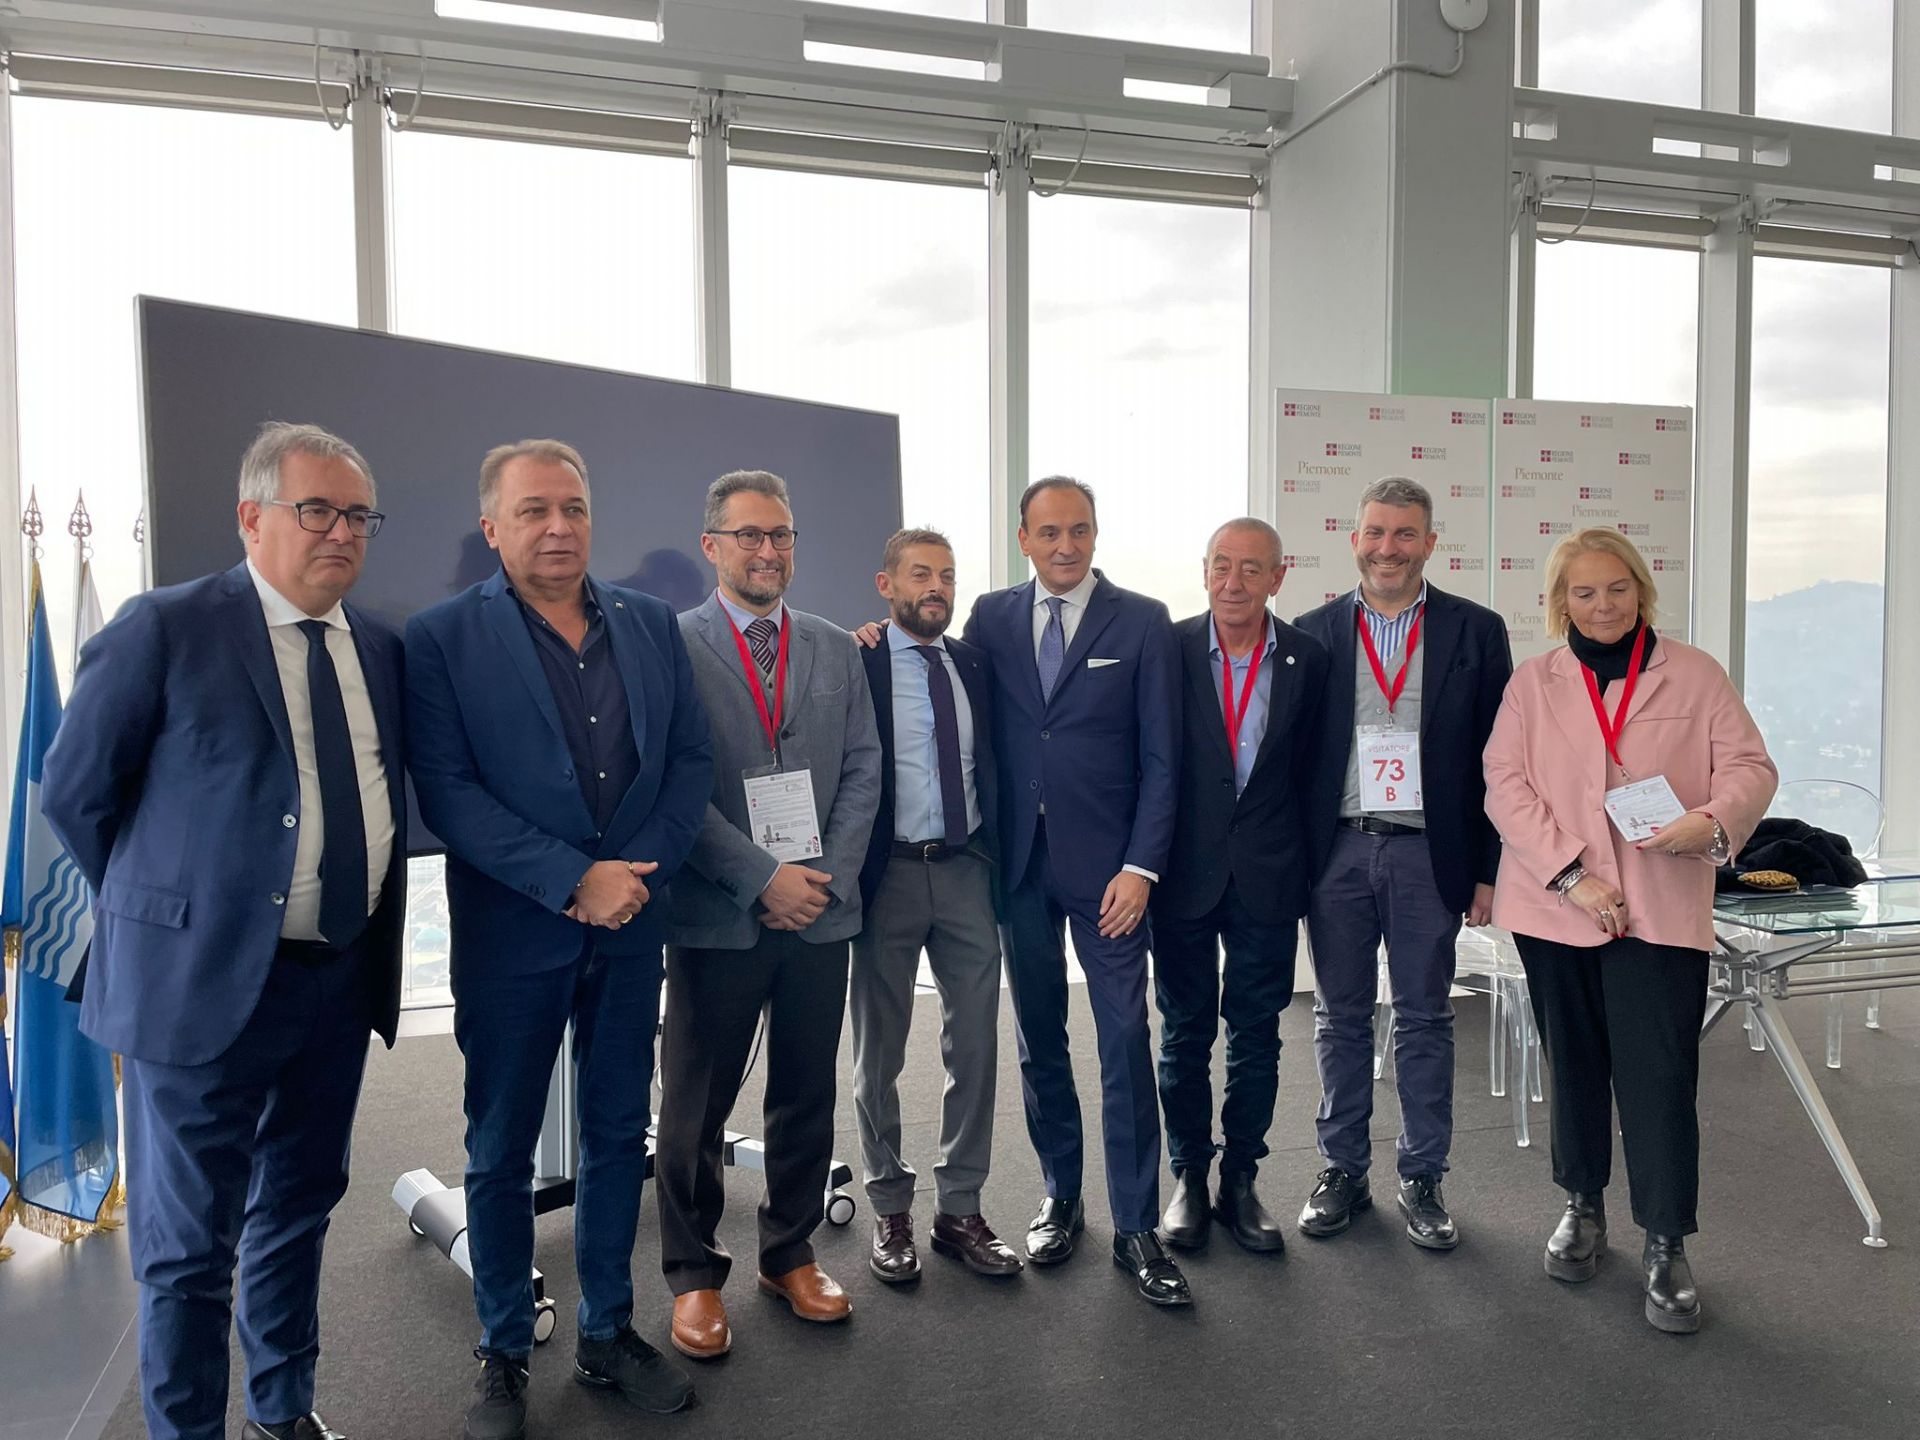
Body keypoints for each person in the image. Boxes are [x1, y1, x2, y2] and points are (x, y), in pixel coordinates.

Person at [43, 422, 406, 1440]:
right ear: (252, 518)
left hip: (336, 979)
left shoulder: (380, 647)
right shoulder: (164, 628)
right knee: (188, 1248)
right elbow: (76, 796)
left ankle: (282, 1412)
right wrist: (176, 913)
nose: (341, 532)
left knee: (298, 1207)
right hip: (197, 989)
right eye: (316, 509)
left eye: (358, 516)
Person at [406, 440, 713, 1440]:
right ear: (492, 527)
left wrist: (632, 878)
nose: (558, 527)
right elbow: (448, 792)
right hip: (513, 934)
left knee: (619, 1134)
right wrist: (574, 879)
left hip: (630, 925)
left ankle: (607, 1332)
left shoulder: (650, 624)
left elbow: (689, 763)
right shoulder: (442, 637)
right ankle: (503, 1350)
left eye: (573, 508)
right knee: (499, 1148)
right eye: (534, 510)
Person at [1484, 527, 1775, 1334]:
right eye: (1583, 592)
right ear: (1561, 602)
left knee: (1659, 1075)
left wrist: (1711, 821)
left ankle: (1666, 1241)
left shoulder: (1696, 673)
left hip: (1659, 902)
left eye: (1616, 588)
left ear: (1640, 590)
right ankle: (1582, 1205)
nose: (1602, 604)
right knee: (1574, 1063)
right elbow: (1504, 785)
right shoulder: (1533, 683)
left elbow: (1750, 767)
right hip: (1558, 904)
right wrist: (1571, 874)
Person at [656, 469, 882, 1359]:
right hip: (719, 910)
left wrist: (821, 877)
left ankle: (789, 1253)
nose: (767, 550)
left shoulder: (832, 646)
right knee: (696, 1103)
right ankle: (693, 1273)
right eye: (749, 535)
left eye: (781, 534)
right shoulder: (671, 645)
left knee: (805, 1091)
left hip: (819, 912)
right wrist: (762, 879)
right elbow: (674, 787)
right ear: (712, 544)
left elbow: (863, 769)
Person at [959, 476, 1188, 1306]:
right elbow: (951, 692)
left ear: (1096, 534)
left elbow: (1164, 757)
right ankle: (1061, 1196)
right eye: (1050, 532)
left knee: (1124, 1037)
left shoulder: (1142, 620)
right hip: (1019, 866)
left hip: (1112, 876)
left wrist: (1142, 867)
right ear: (1023, 538)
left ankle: (1136, 1225)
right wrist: (876, 641)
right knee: (1039, 1037)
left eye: (1080, 530)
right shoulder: (989, 617)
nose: (1066, 545)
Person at [1294, 475, 1511, 1250]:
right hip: (1339, 851)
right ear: (1354, 539)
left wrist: (1489, 868)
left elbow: (1499, 760)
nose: (1389, 548)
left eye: (1405, 533)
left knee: (1424, 1017)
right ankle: (1342, 1170)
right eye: (1376, 532)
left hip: (1429, 853)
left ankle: (1422, 1175)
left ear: (1429, 542)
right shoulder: (1312, 632)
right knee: (1339, 1018)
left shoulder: (1476, 631)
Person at [1153, 519, 1328, 1255]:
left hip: (1268, 875)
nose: (1234, 582)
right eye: (1222, 566)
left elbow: (1317, 774)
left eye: (1252, 569)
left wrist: (1309, 872)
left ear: (1277, 577)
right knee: (1185, 1031)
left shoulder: (1308, 658)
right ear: (1204, 571)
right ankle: (1190, 1176)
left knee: (1257, 1034)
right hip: (1183, 873)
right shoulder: (1167, 650)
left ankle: (1243, 1179)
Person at [853, 528, 1019, 1285]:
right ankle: (889, 1206)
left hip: (964, 872)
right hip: (885, 875)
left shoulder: (974, 664)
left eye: (947, 576)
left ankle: (960, 1208)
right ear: (885, 585)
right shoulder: (857, 661)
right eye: (920, 574)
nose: (937, 588)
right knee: (878, 1055)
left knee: (976, 1047)